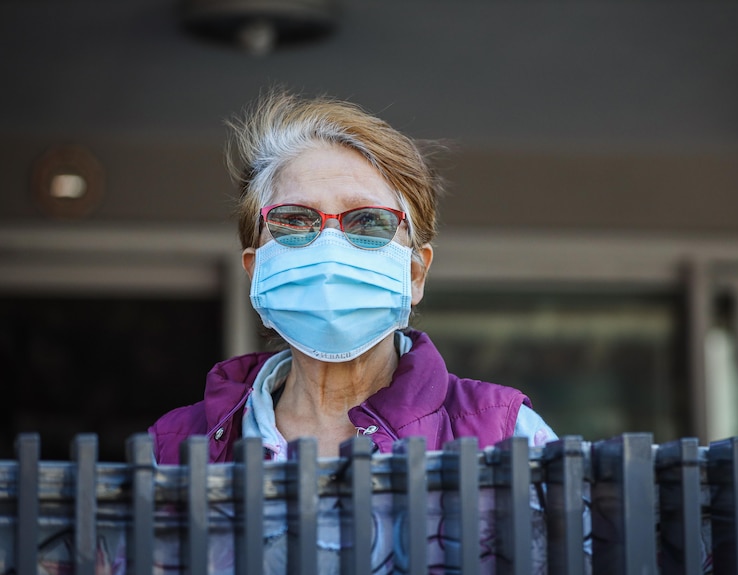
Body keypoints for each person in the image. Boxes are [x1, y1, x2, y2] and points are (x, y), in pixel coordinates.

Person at [148, 89, 557, 464]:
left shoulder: (506, 436)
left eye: (368, 222)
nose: (329, 247)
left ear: (415, 274)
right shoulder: (170, 448)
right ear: (256, 270)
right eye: (295, 220)